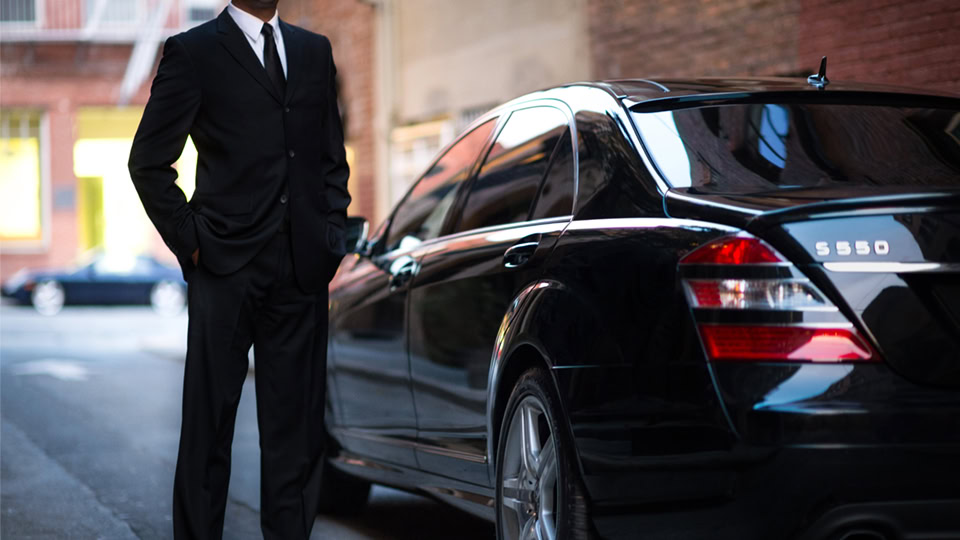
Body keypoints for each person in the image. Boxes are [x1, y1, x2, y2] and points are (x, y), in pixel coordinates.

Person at [127, 0, 350, 537]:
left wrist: (329, 235)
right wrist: (193, 243)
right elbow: (148, 162)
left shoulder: (313, 52)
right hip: (224, 271)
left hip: (301, 272)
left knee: (295, 440)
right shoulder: (194, 51)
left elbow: (330, 160)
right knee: (208, 434)